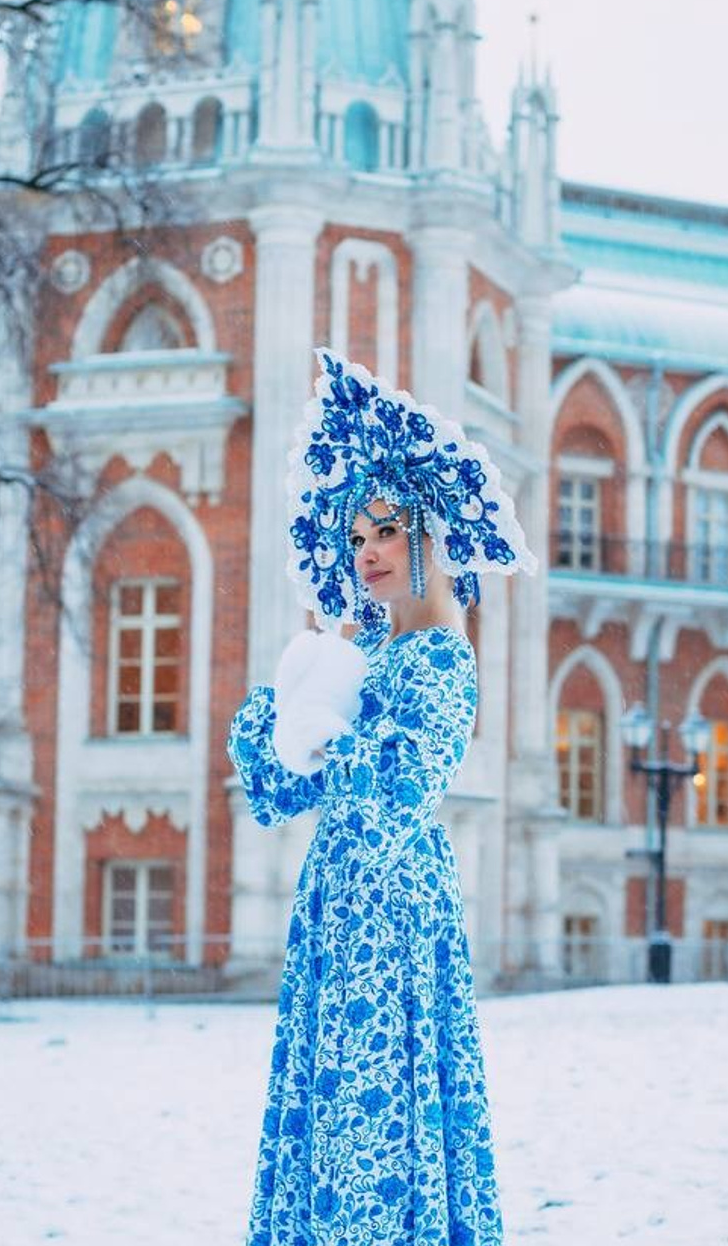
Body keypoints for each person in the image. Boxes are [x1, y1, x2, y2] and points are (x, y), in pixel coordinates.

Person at [227, 348, 537, 1245]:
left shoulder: (443, 658)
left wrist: (333, 729)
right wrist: (298, 697)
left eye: (386, 533)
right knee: (329, 1093)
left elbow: (397, 792)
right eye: (357, 539)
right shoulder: (363, 654)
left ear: (429, 538)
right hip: (336, 896)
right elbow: (280, 787)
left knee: (379, 1098)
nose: (366, 554)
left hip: (395, 903)